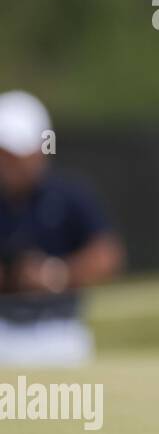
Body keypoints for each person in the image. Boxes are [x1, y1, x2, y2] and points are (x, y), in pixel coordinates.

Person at [0, 91, 122, 366]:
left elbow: (107, 256)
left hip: (60, 335)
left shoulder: (70, 195)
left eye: (14, 154)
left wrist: (55, 274)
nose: (7, 163)